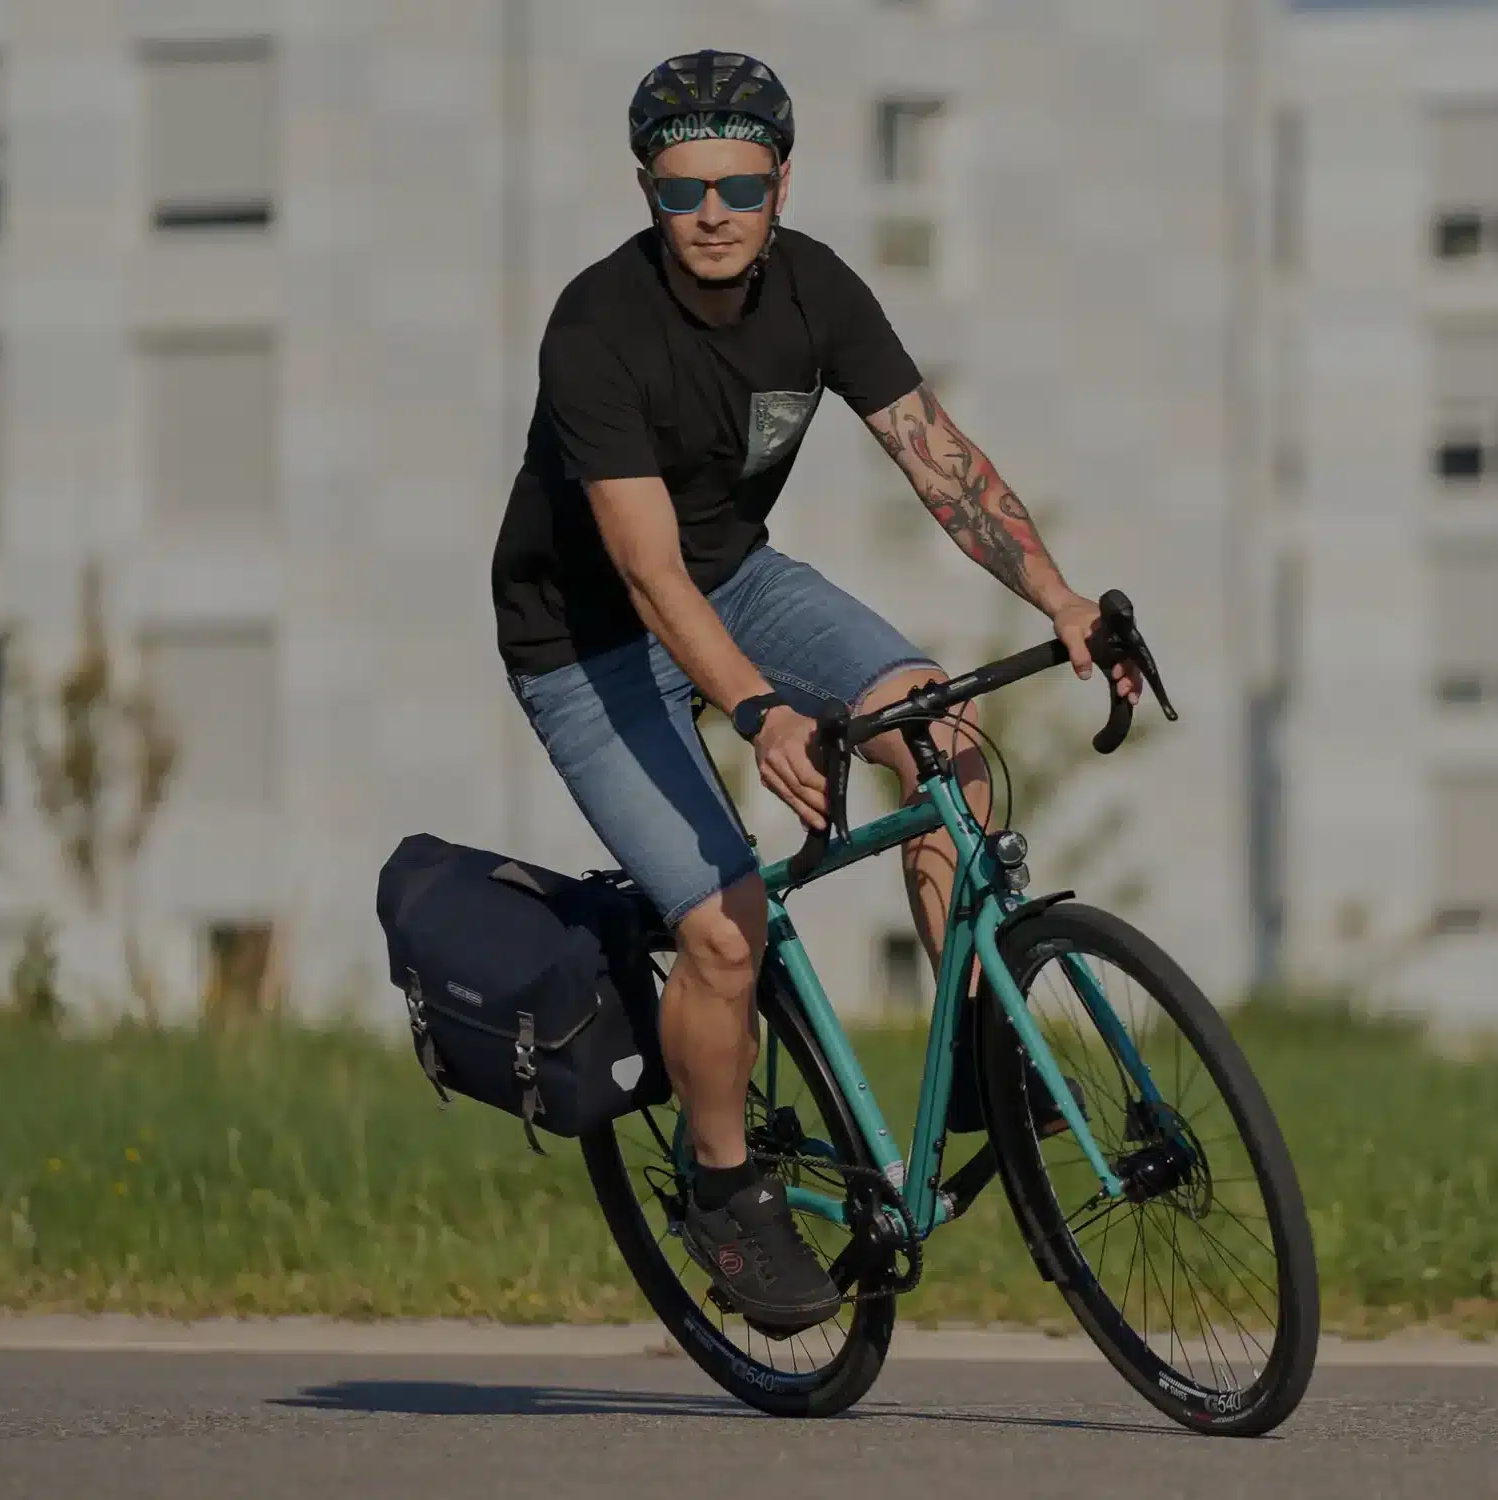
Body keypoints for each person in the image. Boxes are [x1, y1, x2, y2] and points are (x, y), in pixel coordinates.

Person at [491, 50, 1138, 1335]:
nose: (716, 212)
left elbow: (935, 455)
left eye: (740, 183)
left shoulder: (817, 289)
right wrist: (759, 713)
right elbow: (643, 568)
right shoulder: (595, 330)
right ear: (648, 192)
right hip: (591, 644)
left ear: (782, 182)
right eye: (686, 191)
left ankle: (975, 1053)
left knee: (943, 728)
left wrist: (1059, 601)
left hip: (740, 582)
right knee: (726, 925)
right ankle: (724, 1193)